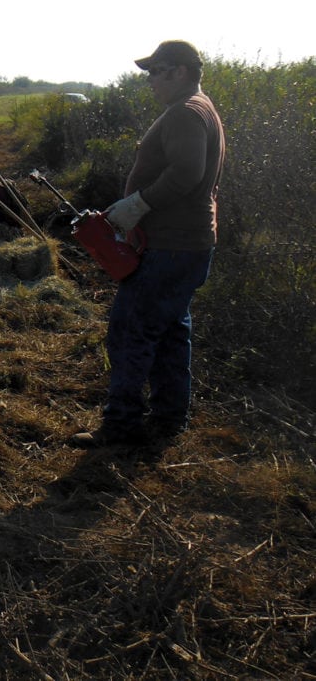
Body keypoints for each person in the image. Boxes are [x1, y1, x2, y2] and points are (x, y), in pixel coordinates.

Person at [71, 40, 225, 448]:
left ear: (179, 71)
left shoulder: (186, 113)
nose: (150, 81)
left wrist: (136, 204)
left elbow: (187, 173)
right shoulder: (198, 108)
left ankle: (121, 425)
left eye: (156, 71)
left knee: (131, 331)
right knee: (172, 332)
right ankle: (169, 420)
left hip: (171, 246)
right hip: (186, 245)